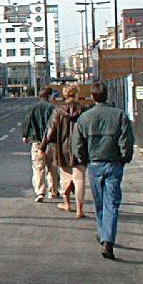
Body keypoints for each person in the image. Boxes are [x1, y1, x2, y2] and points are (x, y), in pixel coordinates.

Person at [73, 82, 134, 260]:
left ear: (93, 97)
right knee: (112, 202)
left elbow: (78, 144)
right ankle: (107, 238)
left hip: (94, 163)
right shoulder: (119, 116)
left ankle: (103, 234)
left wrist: (83, 160)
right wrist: (124, 158)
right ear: (107, 96)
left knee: (99, 201)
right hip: (114, 163)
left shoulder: (85, 118)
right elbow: (126, 141)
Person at [40, 84, 86, 217]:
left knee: (65, 177)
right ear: (76, 94)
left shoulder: (58, 110)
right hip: (80, 147)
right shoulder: (83, 109)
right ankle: (79, 209)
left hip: (62, 148)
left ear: (64, 95)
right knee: (80, 178)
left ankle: (67, 204)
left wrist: (42, 147)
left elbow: (50, 131)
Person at [22, 86, 59, 203]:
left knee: (38, 167)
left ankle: (40, 192)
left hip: (37, 142)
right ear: (49, 96)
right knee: (52, 167)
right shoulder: (53, 108)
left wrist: (25, 135)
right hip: (51, 142)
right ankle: (53, 191)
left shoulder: (32, 108)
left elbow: (27, 122)